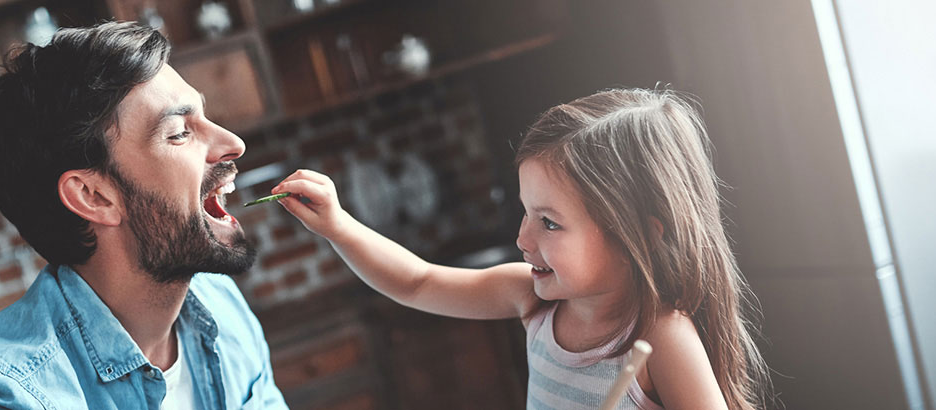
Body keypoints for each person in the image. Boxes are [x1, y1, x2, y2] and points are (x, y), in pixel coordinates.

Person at [272, 88, 769, 409]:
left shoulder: (661, 335)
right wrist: (339, 227)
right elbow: (417, 281)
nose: (522, 239)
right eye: (526, 213)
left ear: (638, 235)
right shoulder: (533, 298)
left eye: (549, 223)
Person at [0, 21, 286, 409]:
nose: (233, 143)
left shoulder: (219, 302)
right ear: (93, 196)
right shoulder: (4, 397)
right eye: (178, 133)